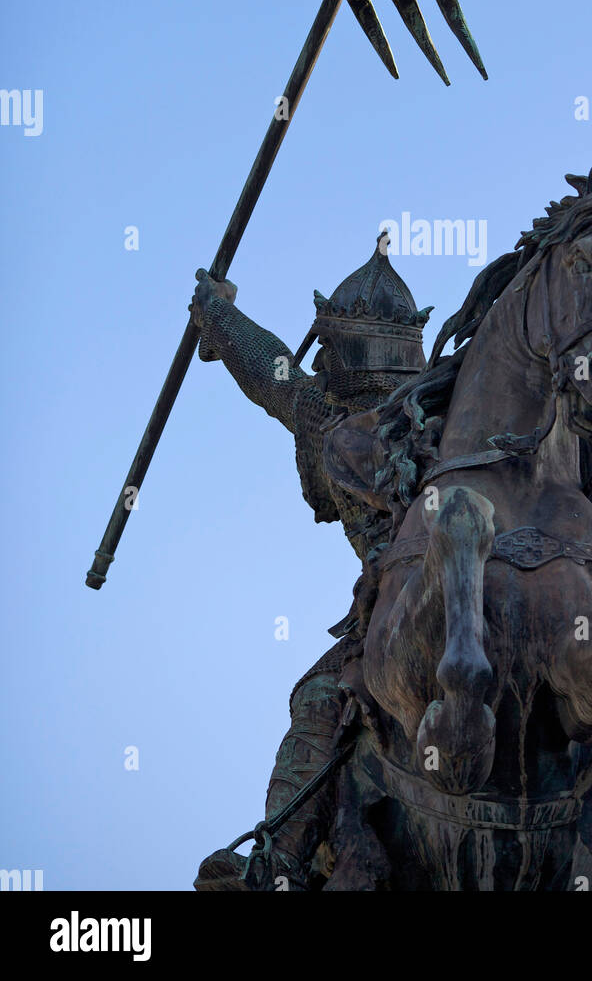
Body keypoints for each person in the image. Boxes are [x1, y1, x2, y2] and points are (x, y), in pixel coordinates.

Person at [190, 232, 431, 890]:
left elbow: (272, 372)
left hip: (424, 595)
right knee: (324, 700)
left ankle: (278, 866)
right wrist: (218, 315)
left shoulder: (350, 414)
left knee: (323, 702)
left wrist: (213, 311)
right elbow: (268, 366)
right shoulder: (420, 405)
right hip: (400, 609)